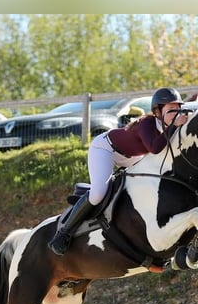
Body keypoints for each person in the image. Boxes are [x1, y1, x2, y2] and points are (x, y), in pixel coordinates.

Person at [48, 86, 188, 256]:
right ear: (158, 111)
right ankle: (63, 233)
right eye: (171, 110)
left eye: (178, 108)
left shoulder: (172, 126)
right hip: (106, 148)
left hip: (132, 157)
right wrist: (174, 127)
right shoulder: (148, 123)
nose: (176, 113)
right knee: (99, 192)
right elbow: (155, 147)